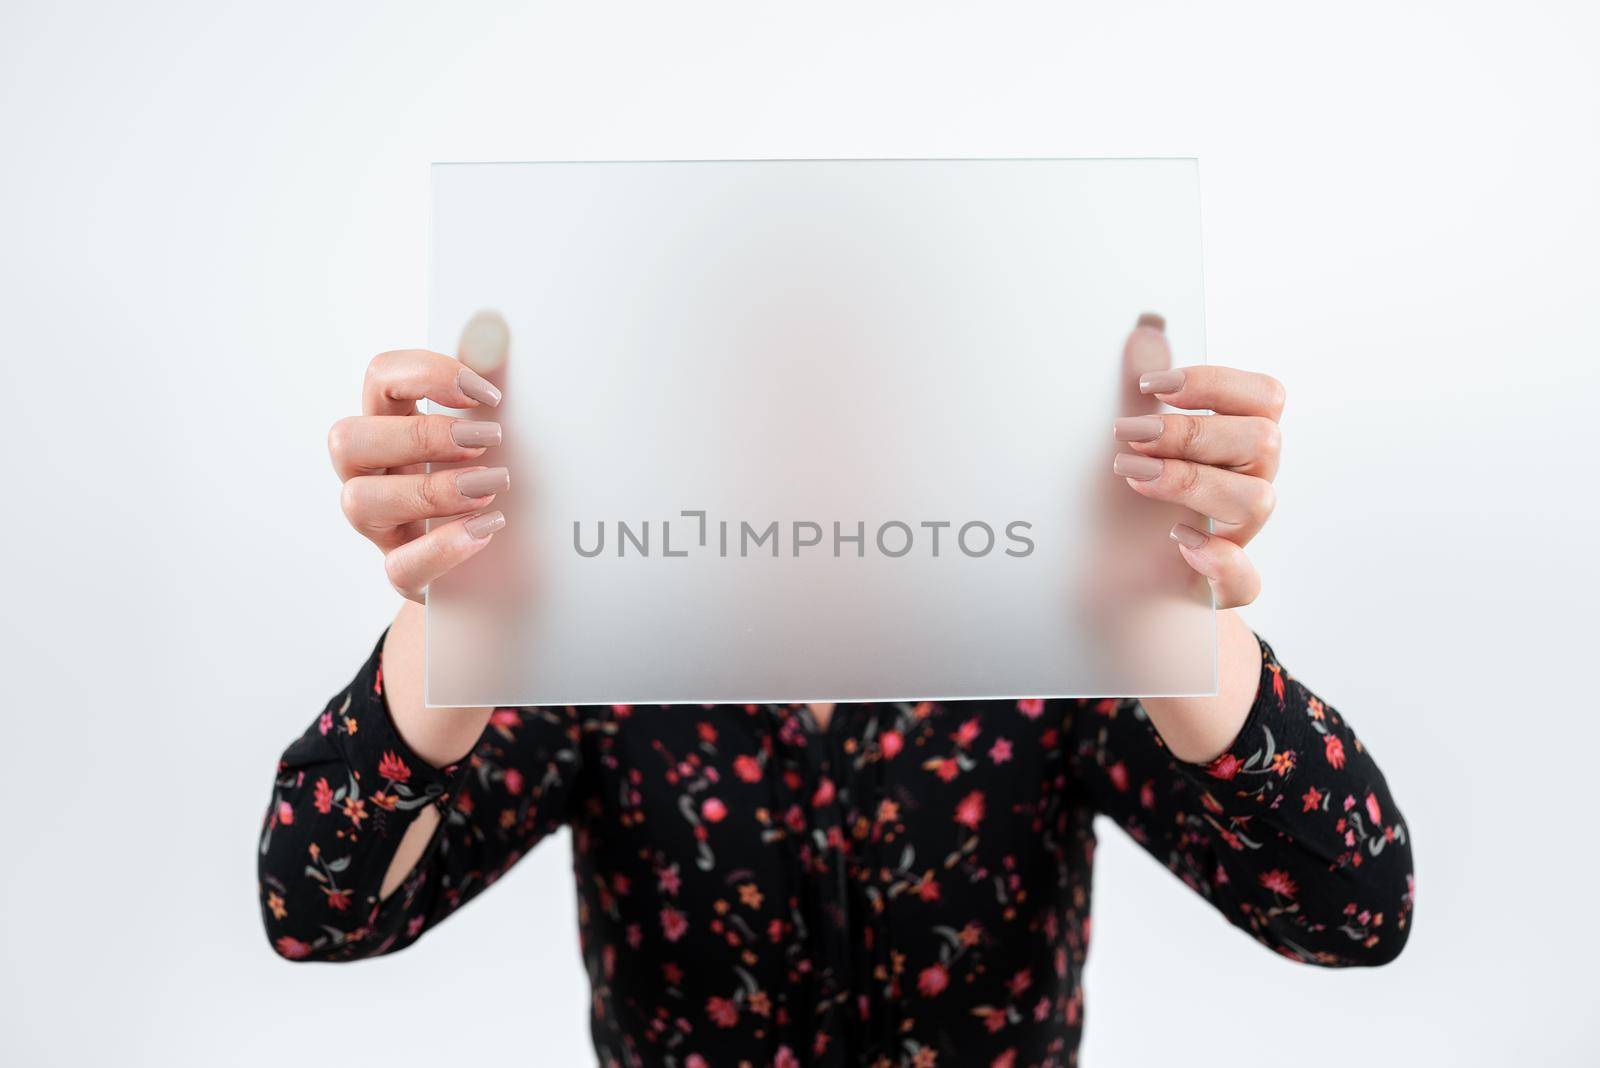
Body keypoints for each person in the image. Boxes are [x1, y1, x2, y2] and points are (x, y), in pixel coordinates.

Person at [258, 317, 1413, 1067]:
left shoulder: (1045, 645)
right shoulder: (600, 654)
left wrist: (1174, 622)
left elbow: (1352, 913)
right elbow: (320, 913)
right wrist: (455, 614)